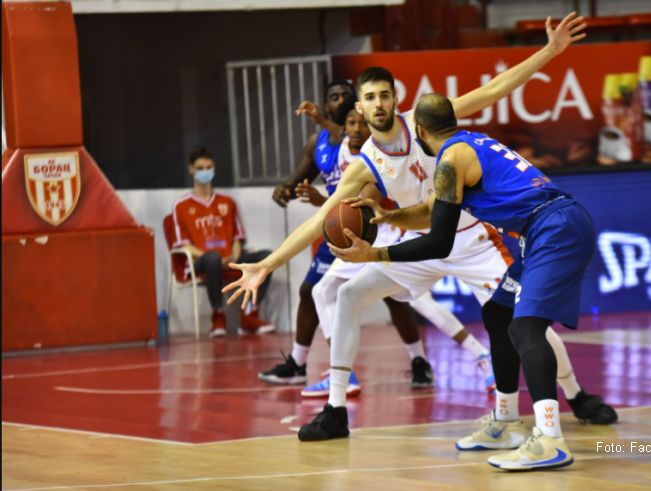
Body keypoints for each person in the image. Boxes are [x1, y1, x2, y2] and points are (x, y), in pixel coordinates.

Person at [223, 12, 591, 444]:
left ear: (396, 99)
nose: (379, 103)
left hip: (473, 239)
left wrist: (549, 51)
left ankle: (577, 395)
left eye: (385, 95)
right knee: (348, 294)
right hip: (420, 242)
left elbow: (493, 90)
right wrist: (267, 263)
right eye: (370, 98)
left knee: (527, 321)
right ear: (359, 108)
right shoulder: (364, 165)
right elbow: (321, 221)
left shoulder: (426, 121)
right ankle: (336, 410)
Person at [330, 91, 598, 471]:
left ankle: (550, 439)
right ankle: (507, 421)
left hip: (554, 228)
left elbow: (439, 240)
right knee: (499, 314)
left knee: (526, 328)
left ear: (420, 131)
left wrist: (375, 254)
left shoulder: (449, 160)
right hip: (550, 225)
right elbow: (431, 211)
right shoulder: (469, 143)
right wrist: (388, 217)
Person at [302, 102, 497, 395]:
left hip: (386, 230)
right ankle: (345, 372)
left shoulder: (378, 153)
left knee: (418, 301)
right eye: (352, 123)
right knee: (324, 291)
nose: (357, 128)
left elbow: (370, 200)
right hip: (367, 233)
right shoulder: (342, 151)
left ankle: (477, 354)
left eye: (362, 123)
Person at [259, 84, 437, 391]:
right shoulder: (320, 143)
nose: (341, 101)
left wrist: (319, 119)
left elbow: (364, 182)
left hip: (371, 225)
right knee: (313, 291)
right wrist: (287, 189)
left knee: (394, 297)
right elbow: (301, 178)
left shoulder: (367, 142)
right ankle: (309, 365)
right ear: (328, 106)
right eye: (334, 96)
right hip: (335, 225)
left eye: (346, 96)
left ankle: (419, 359)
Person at [171, 145, 274, 337]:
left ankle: (249, 315)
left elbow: (237, 238)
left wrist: (232, 257)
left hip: (229, 256)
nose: (205, 172)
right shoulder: (181, 205)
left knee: (267, 257)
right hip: (201, 261)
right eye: (200, 168)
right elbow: (184, 245)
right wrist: (217, 258)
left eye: (208, 167)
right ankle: (217, 316)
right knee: (212, 259)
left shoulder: (228, 202)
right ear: (191, 169)